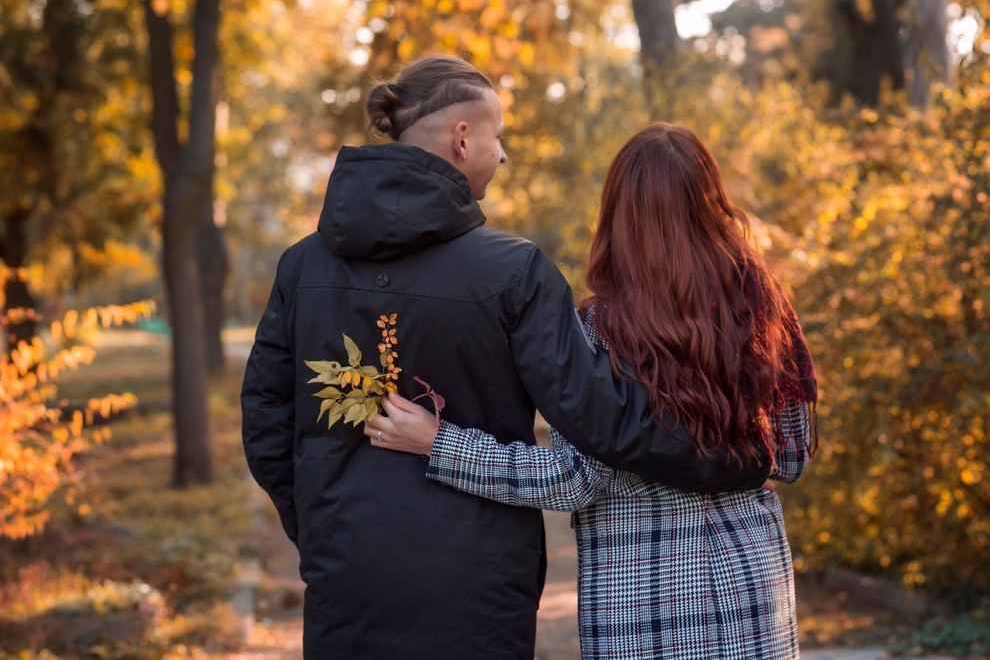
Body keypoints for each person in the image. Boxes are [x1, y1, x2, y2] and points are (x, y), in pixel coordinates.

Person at [241, 56, 771, 660]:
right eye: (498, 137)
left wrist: (320, 529)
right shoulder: (516, 273)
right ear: (462, 138)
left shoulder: (301, 268)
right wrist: (735, 458)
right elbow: (601, 421)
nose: (504, 154)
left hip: (345, 574)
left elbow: (264, 420)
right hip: (478, 586)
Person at [365, 122, 819, 659]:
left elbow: (572, 481)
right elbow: (789, 458)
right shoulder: (762, 305)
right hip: (753, 588)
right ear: (711, 202)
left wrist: (440, 444)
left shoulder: (600, 330)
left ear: (619, 217)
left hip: (646, 601)